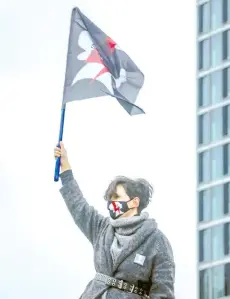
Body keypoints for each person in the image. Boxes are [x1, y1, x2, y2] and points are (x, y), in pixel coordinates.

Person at [54, 142, 175, 299]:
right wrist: (66, 169)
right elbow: (79, 206)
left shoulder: (157, 241)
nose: (111, 203)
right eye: (110, 199)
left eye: (116, 197)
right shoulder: (102, 228)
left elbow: (163, 293)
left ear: (134, 202)